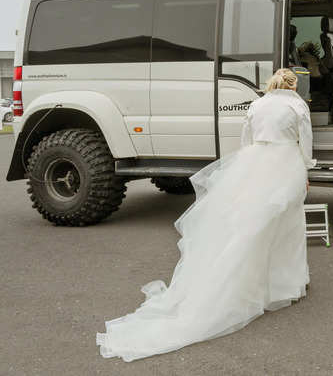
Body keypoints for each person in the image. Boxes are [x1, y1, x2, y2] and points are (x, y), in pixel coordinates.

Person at [96, 68, 315, 361]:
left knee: (248, 225)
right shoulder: (297, 104)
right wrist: (306, 167)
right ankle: (285, 285)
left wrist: (251, 167)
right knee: (287, 223)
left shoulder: (258, 104)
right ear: (294, 85)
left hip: (256, 163)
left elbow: (246, 140)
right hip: (285, 162)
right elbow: (305, 140)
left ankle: (258, 284)